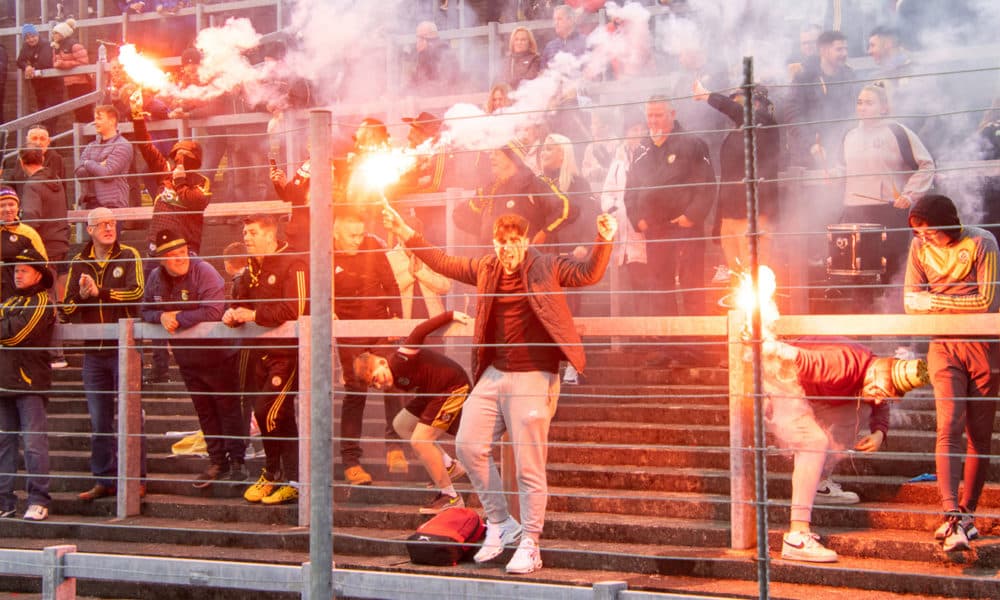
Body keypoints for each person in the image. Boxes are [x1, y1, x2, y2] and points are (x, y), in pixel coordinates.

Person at [382, 206, 617, 575]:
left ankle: (532, 542)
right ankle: (501, 522)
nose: (506, 249)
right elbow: (444, 262)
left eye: (513, 242)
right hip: (494, 374)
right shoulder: (487, 267)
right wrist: (409, 235)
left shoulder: (547, 265)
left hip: (534, 376)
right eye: (500, 242)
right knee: (468, 445)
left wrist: (604, 238)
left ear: (524, 241)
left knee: (528, 464)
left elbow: (588, 273)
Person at [762, 338, 929, 562]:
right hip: (774, 383)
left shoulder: (871, 369)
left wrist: (879, 431)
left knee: (859, 412)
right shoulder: (841, 364)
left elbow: (880, 404)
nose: (881, 398)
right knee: (814, 441)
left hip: (804, 388)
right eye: (884, 390)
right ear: (879, 372)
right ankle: (797, 537)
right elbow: (798, 358)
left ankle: (818, 483)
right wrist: (763, 342)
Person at [903, 194, 999, 552]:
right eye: (917, 234)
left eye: (928, 233)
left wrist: (936, 302)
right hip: (943, 345)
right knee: (948, 424)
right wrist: (932, 306)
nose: (923, 240)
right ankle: (950, 515)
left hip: (985, 346)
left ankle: (968, 513)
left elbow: (986, 302)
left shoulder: (981, 242)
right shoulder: (918, 249)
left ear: (946, 225)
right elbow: (910, 303)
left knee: (979, 433)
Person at [141, 230, 247, 487]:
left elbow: (213, 310)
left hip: (219, 355)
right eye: (173, 256)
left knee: (228, 409)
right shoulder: (156, 277)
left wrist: (177, 317)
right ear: (162, 260)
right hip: (188, 358)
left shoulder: (205, 270)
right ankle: (217, 461)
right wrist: (160, 317)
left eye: (183, 253)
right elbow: (144, 309)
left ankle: (237, 463)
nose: (181, 259)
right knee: (205, 411)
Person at [61, 207, 147, 501]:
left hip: (125, 350)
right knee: (99, 421)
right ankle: (104, 479)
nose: (109, 228)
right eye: (102, 224)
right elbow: (67, 308)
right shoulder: (78, 262)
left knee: (131, 417)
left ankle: (135, 479)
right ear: (90, 230)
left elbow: (137, 292)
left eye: (112, 223)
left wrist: (102, 293)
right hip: (93, 354)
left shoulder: (129, 255)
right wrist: (83, 297)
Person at [223, 215, 308, 506]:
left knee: (267, 411)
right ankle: (279, 477)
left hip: (286, 355)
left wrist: (254, 315)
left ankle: (285, 476)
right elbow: (239, 304)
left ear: (270, 236)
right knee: (273, 415)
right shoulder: (249, 271)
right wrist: (232, 314)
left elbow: (296, 306)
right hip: (257, 354)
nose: (246, 237)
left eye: (253, 232)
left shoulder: (293, 262)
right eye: (244, 232)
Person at [353, 311, 473, 514]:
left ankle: (450, 497)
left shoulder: (400, 359)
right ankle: (449, 466)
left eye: (376, 377)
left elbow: (419, 331)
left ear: (382, 363)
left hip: (452, 386)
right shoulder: (393, 375)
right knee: (400, 423)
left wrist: (451, 314)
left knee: (421, 440)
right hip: (431, 391)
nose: (379, 384)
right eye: (374, 385)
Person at [332, 209, 407, 486]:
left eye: (361, 233)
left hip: (379, 325)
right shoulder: (325, 252)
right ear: (336, 233)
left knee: (392, 382)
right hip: (348, 333)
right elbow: (317, 291)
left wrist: (396, 319)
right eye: (352, 235)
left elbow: (391, 284)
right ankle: (351, 461)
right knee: (355, 392)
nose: (357, 240)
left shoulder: (373, 245)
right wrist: (327, 310)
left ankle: (395, 447)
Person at [623, 95, 715, 316]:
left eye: (658, 115)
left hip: (685, 229)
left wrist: (691, 216)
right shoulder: (642, 149)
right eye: (649, 116)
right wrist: (638, 220)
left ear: (672, 115)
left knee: (691, 284)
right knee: (660, 287)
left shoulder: (693, 144)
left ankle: (695, 346)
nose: (653, 121)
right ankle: (668, 344)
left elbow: (707, 185)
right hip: (655, 229)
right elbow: (630, 191)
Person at [840, 83, 934, 286]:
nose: (862, 108)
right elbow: (844, 168)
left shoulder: (897, 131)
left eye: (869, 103)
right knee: (857, 273)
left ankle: (894, 312)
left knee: (892, 271)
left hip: (889, 210)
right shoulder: (850, 135)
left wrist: (909, 195)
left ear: (884, 108)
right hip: (855, 212)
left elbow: (926, 165)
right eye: (859, 103)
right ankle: (863, 314)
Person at [693, 81, 780, 275]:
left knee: (754, 277)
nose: (736, 105)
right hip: (730, 217)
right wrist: (719, 222)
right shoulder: (734, 134)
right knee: (737, 279)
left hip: (754, 217)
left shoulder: (765, 124)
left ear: (756, 103)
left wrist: (707, 95)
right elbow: (727, 180)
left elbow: (740, 113)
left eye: (741, 101)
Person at [0, 247, 56, 521]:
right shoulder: (9, 302)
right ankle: (4, 501)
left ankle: (38, 499)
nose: (17, 274)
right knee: (3, 443)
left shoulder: (42, 301)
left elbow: (16, 334)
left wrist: (5, 325)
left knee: (34, 443)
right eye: (15, 270)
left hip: (30, 383)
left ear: (38, 275)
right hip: (4, 383)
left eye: (23, 270)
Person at [129, 89, 212, 255]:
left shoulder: (201, 181)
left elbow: (197, 202)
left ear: (195, 159)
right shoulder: (165, 169)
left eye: (186, 155)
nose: (180, 158)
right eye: (178, 154)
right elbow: (145, 145)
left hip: (186, 247)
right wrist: (137, 114)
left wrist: (180, 181)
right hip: (158, 244)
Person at [18, 147, 70, 368]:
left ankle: (56, 354)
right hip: (60, 243)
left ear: (21, 162)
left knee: (47, 300)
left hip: (43, 247)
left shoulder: (32, 185)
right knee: (51, 299)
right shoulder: (56, 181)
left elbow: (31, 219)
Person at [784, 30, 858, 169]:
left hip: (842, 155)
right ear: (823, 50)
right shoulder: (804, 77)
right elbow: (791, 113)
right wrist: (812, 144)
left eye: (846, 49)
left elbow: (854, 113)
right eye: (839, 49)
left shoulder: (849, 76)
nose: (844, 54)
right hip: (809, 157)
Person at [74, 105, 134, 210]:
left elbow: (107, 173)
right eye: (95, 119)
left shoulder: (123, 145)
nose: (95, 122)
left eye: (99, 118)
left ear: (112, 121)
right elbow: (79, 173)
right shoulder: (91, 145)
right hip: (90, 203)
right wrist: (98, 166)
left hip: (112, 204)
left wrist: (88, 163)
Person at [0, 187, 48, 304]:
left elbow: (43, 265)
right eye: (2, 205)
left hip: (18, 298)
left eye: (11, 204)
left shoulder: (28, 233)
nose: (7, 209)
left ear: (18, 207)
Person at [15, 24, 62, 132]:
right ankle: (46, 146)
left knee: (50, 118)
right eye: (27, 38)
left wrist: (32, 67)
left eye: (32, 36)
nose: (31, 39)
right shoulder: (26, 47)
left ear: (37, 35)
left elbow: (45, 63)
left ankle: (50, 146)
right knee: (43, 118)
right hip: (40, 88)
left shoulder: (46, 44)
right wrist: (26, 66)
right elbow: (19, 61)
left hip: (53, 86)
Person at [1, 125, 66, 200]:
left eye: (42, 139)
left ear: (48, 142)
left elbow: (57, 189)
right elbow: (12, 183)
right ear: (27, 140)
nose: (38, 142)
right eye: (34, 138)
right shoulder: (22, 158)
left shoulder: (56, 159)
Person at [50, 19, 94, 123]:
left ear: (63, 33)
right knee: (78, 112)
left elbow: (83, 63)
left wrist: (63, 64)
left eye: (56, 33)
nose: (54, 35)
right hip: (70, 83)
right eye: (53, 33)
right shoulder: (57, 47)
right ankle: (84, 137)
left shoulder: (75, 45)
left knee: (85, 111)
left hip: (81, 82)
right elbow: (56, 62)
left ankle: (91, 137)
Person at [410, 21, 460, 95]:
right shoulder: (426, 53)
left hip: (443, 98)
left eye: (418, 38)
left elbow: (446, 83)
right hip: (432, 95)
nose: (417, 42)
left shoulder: (440, 52)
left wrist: (418, 91)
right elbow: (416, 79)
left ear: (425, 40)